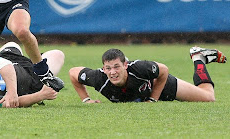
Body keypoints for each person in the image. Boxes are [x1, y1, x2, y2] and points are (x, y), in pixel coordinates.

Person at [69, 46, 226, 103]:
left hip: (162, 86)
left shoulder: (139, 68)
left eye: (117, 67)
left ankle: (198, 57)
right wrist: (86, 99)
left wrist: (153, 99)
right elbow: (73, 73)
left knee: (208, 97)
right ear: (103, 68)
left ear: (125, 65)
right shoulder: (99, 78)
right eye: (108, 68)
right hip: (144, 95)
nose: (113, 72)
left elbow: (163, 70)